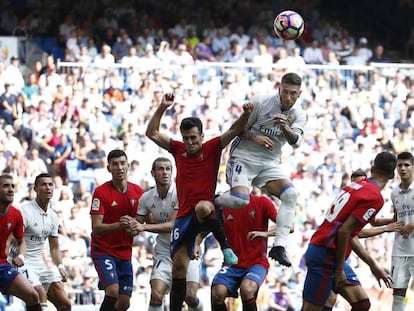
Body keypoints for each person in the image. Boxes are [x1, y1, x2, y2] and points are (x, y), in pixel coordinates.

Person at [145, 93, 253, 311]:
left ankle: (226, 247)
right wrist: (162, 107)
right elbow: (152, 132)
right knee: (178, 270)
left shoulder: (212, 147)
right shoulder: (178, 149)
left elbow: (233, 131)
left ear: (201, 136)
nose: (190, 142)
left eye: (194, 138)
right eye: (187, 138)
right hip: (184, 218)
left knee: (203, 206)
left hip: (207, 212)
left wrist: (246, 114)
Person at [214, 72, 307, 267]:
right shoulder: (262, 102)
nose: (288, 97)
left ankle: (279, 246)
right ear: (279, 89)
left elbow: (296, 142)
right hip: (243, 158)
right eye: (285, 92)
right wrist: (255, 137)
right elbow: (237, 129)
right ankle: (214, 202)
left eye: (293, 93)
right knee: (240, 201)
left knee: (291, 194)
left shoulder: (298, 114)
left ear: (299, 94)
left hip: (269, 163)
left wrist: (285, 128)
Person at [302, 151, 398, 311]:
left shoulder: (355, 186)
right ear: (392, 175)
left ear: (372, 168)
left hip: (325, 250)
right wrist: (339, 270)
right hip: (326, 254)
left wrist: (390, 221)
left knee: (361, 304)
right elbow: (345, 231)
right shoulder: (374, 197)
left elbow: (366, 223)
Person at [120, 157, 203, 311]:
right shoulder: (146, 198)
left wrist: (143, 227)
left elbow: (173, 225)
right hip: (164, 252)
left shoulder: (180, 193)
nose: (165, 172)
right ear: (153, 173)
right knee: (156, 294)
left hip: (187, 250)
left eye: (168, 169)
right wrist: (128, 224)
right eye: (161, 169)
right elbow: (136, 225)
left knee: (190, 297)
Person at [89, 149, 144, 311]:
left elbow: (147, 221)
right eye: (115, 164)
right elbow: (96, 227)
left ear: (128, 166)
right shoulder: (100, 193)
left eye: (122, 163)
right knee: (112, 292)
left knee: (124, 303)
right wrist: (120, 224)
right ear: (108, 168)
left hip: (125, 252)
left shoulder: (138, 192)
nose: (119, 167)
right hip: (103, 250)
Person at [210, 194, 277, 311]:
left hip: (257, 263)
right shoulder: (222, 204)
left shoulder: (262, 202)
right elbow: (207, 228)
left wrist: (265, 233)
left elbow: (289, 226)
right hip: (231, 264)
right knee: (217, 293)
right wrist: (196, 244)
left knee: (247, 289)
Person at [20, 173, 71, 311]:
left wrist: (60, 266)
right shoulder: (25, 211)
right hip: (23, 264)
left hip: (40, 265)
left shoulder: (53, 216)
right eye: (43, 184)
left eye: (50, 184)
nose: (47, 188)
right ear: (35, 189)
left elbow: (54, 248)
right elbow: (16, 240)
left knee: (65, 304)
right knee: (40, 295)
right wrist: (18, 257)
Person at [0, 174, 42, 311]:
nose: (11, 189)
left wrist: (21, 256)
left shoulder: (16, 214)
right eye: (5, 186)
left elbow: (21, 242)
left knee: (33, 296)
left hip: (2, 265)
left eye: (12, 186)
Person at [390, 151, 414, 311]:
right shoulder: (394, 193)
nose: (403, 169)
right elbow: (396, 217)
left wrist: (412, 224)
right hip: (400, 249)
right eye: (400, 165)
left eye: (406, 165)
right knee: (398, 293)